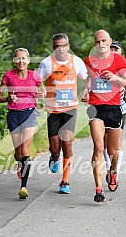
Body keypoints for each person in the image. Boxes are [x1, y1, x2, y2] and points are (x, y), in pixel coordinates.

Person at [82, 30, 126, 202]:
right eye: (97, 42)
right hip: (96, 107)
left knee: (112, 151)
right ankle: (98, 189)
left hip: (113, 108)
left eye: (104, 41)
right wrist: (85, 89)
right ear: (95, 43)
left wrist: (115, 78)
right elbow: (89, 78)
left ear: (109, 41)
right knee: (98, 146)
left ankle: (113, 171)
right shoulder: (89, 60)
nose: (101, 44)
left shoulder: (119, 60)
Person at [37, 33, 87, 194]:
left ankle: (65, 181)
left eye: (64, 45)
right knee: (55, 146)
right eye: (57, 46)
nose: (61, 49)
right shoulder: (47, 63)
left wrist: (86, 90)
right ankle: (54, 156)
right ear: (53, 48)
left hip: (71, 108)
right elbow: (37, 81)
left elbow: (87, 78)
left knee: (67, 142)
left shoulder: (76, 62)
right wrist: (40, 92)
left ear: (68, 46)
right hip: (53, 109)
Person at [0, 48, 46, 199]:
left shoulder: (34, 75)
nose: (21, 61)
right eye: (18, 59)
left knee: (25, 150)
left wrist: (40, 94)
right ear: (14, 61)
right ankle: (19, 162)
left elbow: (43, 91)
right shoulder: (8, 76)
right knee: (18, 152)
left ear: (28, 60)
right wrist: (7, 99)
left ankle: (23, 187)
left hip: (30, 114)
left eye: (24, 58)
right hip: (13, 115)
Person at [104, 41, 126, 182]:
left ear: (121, 52)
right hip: (102, 107)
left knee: (117, 143)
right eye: (111, 49)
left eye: (116, 49)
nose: (113, 51)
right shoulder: (102, 65)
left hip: (118, 107)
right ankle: (108, 168)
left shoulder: (124, 68)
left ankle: (115, 171)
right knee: (105, 142)